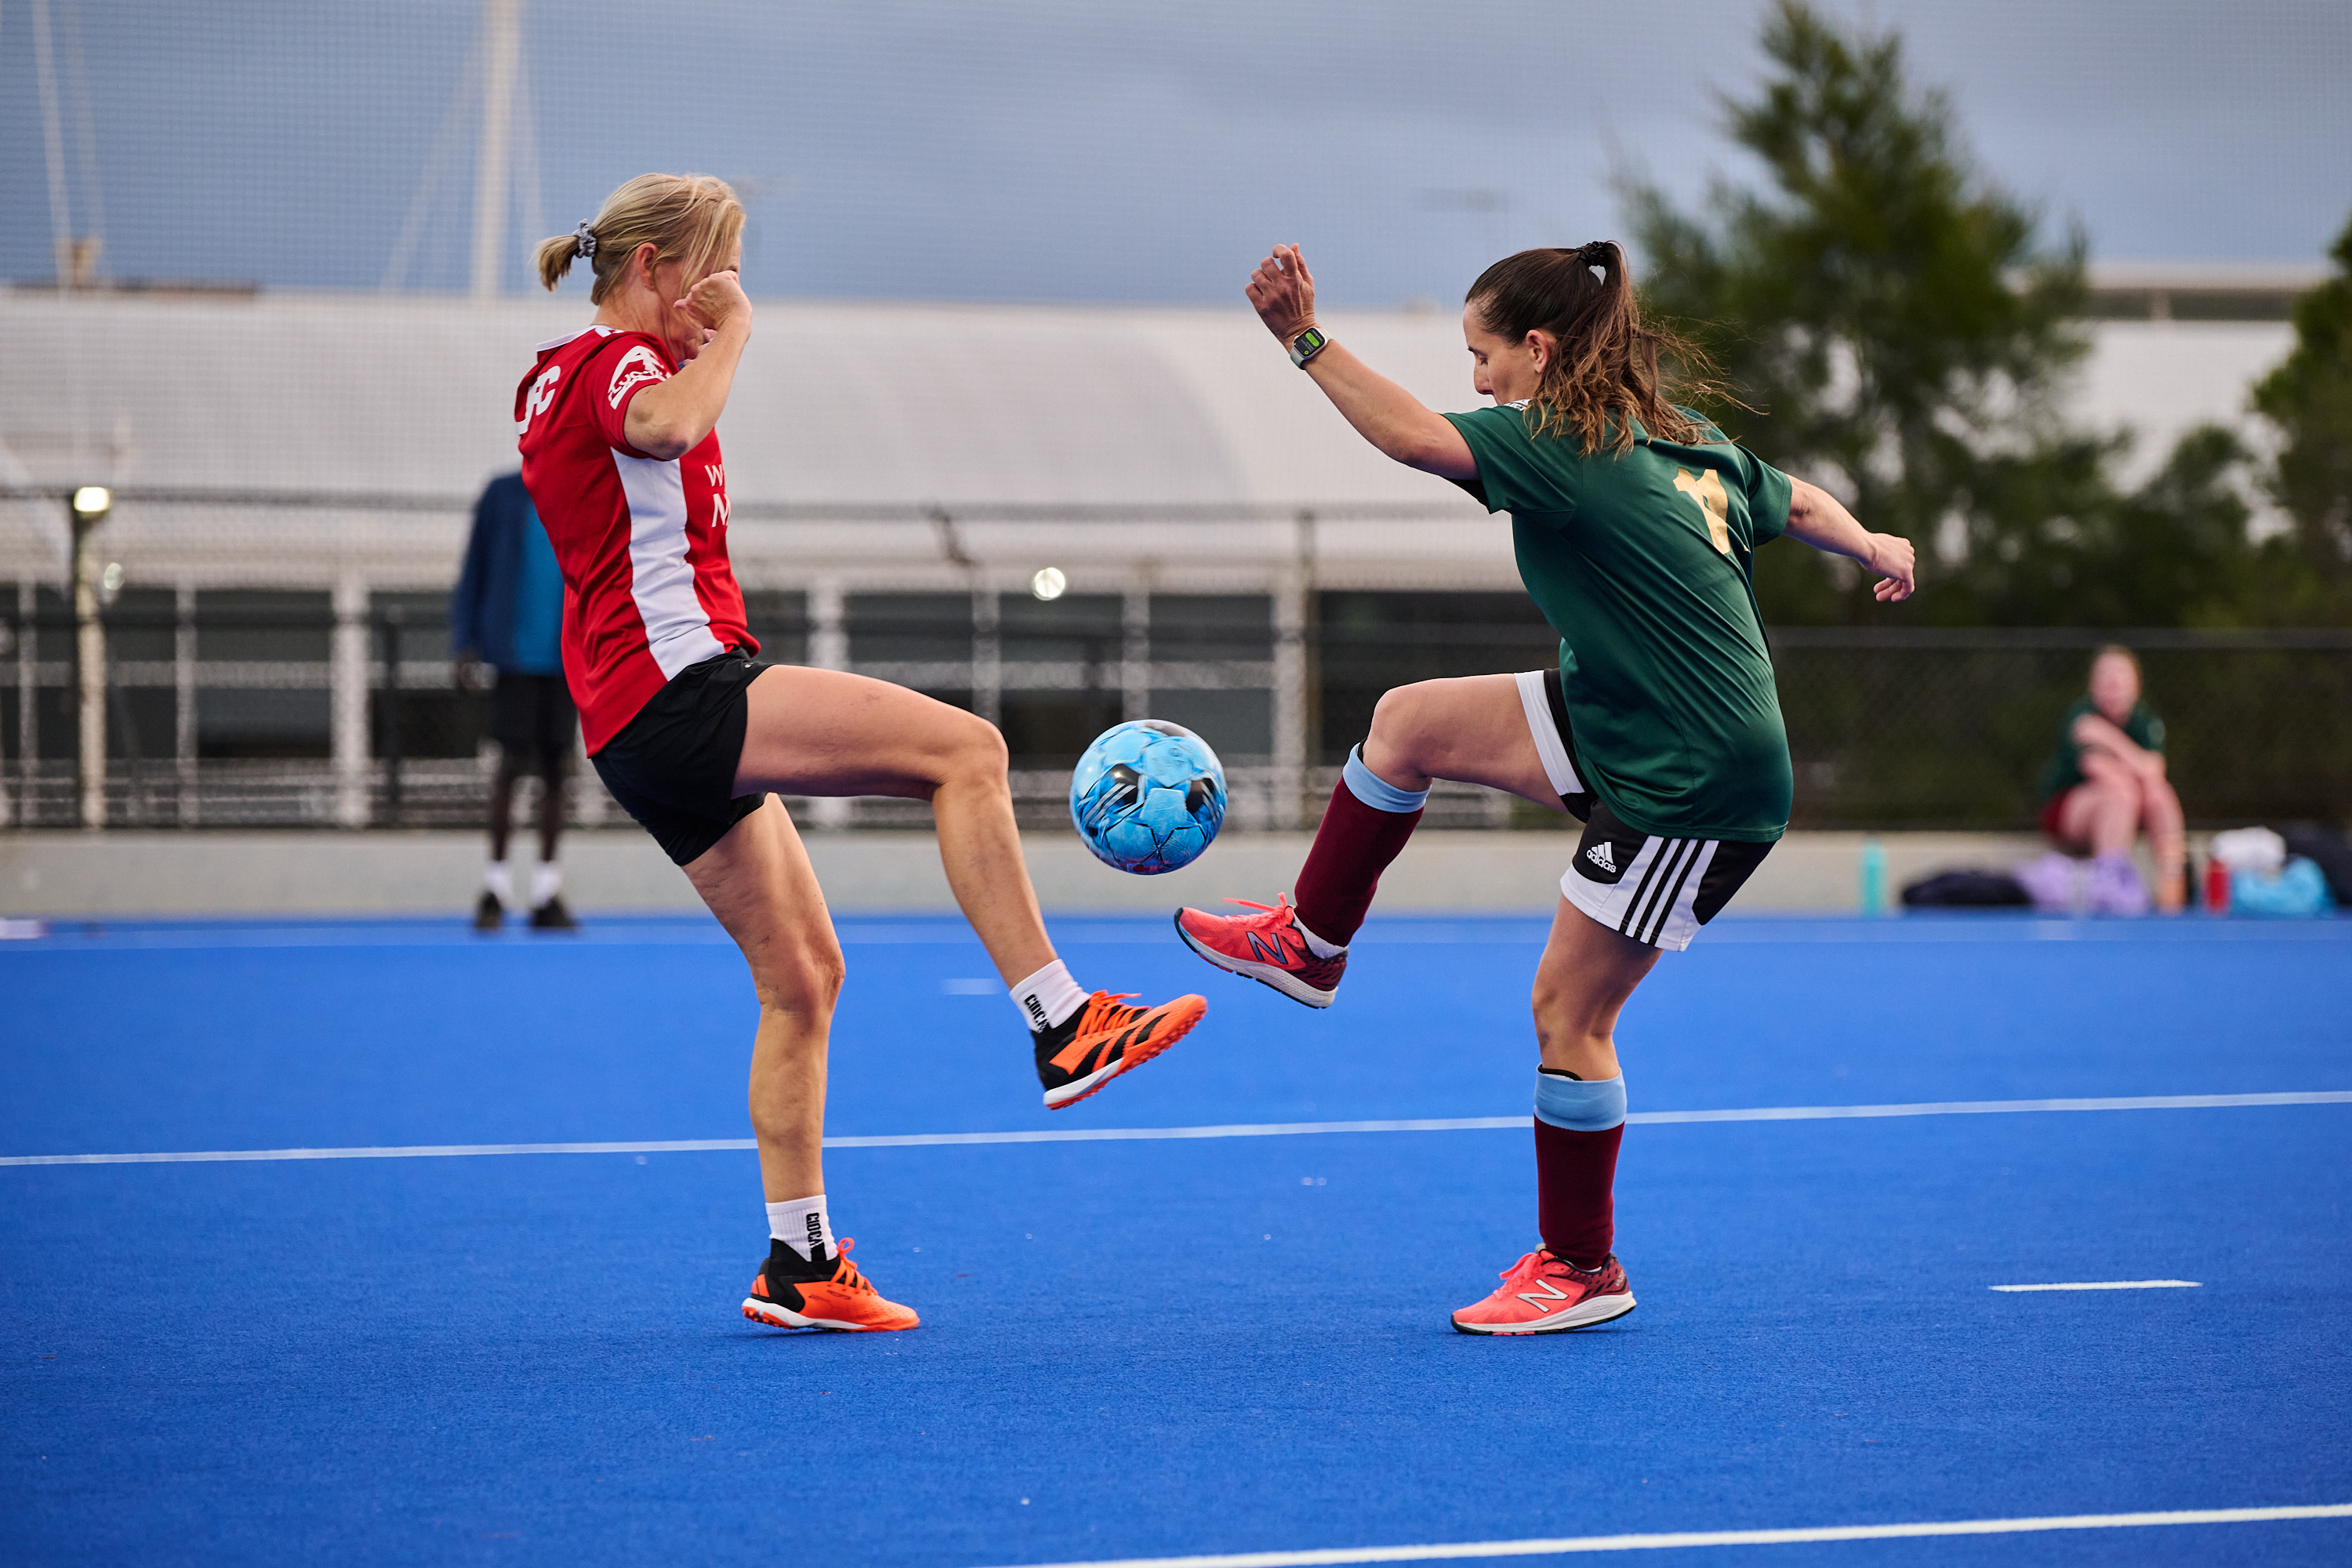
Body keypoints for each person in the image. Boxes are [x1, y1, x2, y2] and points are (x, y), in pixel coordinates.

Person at [1175, 242, 1916, 1334]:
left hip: (1691, 776)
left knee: (1569, 1011)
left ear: (1540, 349)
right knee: (1407, 723)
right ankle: (1311, 941)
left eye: (1482, 357)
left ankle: (1582, 1269)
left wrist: (1303, 338)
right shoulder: (1686, 442)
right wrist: (1871, 542)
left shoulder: (1562, 444)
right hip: (1624, 712)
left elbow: (1410, 437)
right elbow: (1795, 497)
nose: (1476, 383)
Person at [520, 174, 1207, 1334]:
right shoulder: (621, 370)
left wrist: (717, 333)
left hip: (634, 724)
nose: (725, 298)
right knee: (969, 751)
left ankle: (800, 1264)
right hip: (678, 687)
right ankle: (1062, 1022)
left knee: (804, 979)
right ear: (651, 270)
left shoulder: (561, 375)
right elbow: (669, 423)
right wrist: (734, 336)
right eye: (714, 274)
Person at [451, 471, 578, 931]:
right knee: (510, 765)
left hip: (567, 659)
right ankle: (496, 890)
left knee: (557, 772)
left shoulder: (581, 488)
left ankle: (546, 892)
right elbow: (475, 567)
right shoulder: (503, 495)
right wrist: (465, 641)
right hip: (513, 657)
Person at [2034, 644, 2184, 914]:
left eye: (2121, 676)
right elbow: (2100, 770)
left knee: (2161, 795)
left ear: (2136, 686)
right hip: (2069, 810)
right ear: (2093, 685)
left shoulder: (2143, 720)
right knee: (2121, 794)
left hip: (2128, 799)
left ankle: (2173, 890)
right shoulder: (2080, 717)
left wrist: (2110, 738)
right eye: (2106, 676)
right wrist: (2138, 766)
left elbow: (2155, 771)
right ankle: (2109, 886)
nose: (2114, 683)